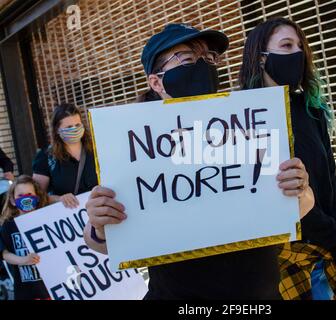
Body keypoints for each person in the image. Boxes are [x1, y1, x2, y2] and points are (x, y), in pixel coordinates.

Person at [83, 23, 314, 300]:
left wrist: (299, 187)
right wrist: (99, 223)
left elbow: (300, 205)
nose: (203, 66)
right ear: (156, 82)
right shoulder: (134, 144)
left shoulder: (248, 124)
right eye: (189, 59)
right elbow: (102, 242)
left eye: (208, 58)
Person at [239, 17, 336, 299]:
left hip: (326, 254)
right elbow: (286, 200)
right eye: (286, 45)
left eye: (300, 46)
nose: (297, 53)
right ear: (261, 58)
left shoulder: (312, 111)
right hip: (276, 266)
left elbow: (330, 189)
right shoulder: (240, 120)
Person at [32, 103, 98, 209]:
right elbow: (36, 196)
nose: (74, 129)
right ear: (57, 130)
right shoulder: (45, 157)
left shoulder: (96, 149)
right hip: (68, 219)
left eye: (77, 125)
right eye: (69, 127)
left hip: (100, 211)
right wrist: (59, 199)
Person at [0, 175, 50, 300]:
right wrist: (23, 260)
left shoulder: (48, 220)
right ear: (12, 200)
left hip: (50, 290)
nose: (25, 198)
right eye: (20, 196)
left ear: (37, 198)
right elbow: (4, 254)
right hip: (26, 292)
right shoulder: (8, 226)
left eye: (29, 193)